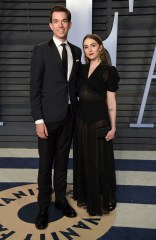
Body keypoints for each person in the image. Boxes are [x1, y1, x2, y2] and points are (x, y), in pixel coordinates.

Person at [30, 5, 81, 230]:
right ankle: (43, 208)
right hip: (48, 119)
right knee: (45, 165)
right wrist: (38, 120)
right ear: (51, 25)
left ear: (69, 24)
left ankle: (60, 200)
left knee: (62, 163)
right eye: (56, 21)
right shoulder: (41, 50)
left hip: (69, 117)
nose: (60, 25)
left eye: (64, 21)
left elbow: (75, 86)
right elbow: (34, 88)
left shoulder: (77, 51)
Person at [73, 34, 120, 216]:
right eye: (86, 46)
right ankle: (85, 195)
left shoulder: (109, 70)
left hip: (99, 121)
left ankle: (100, 198)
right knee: (84, 159)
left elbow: (111, 102)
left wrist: (113, 127)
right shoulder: (81, 70)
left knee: (99, 161)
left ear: (100, 47)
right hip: (81, 121)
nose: (90, 49)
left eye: (93, 45)